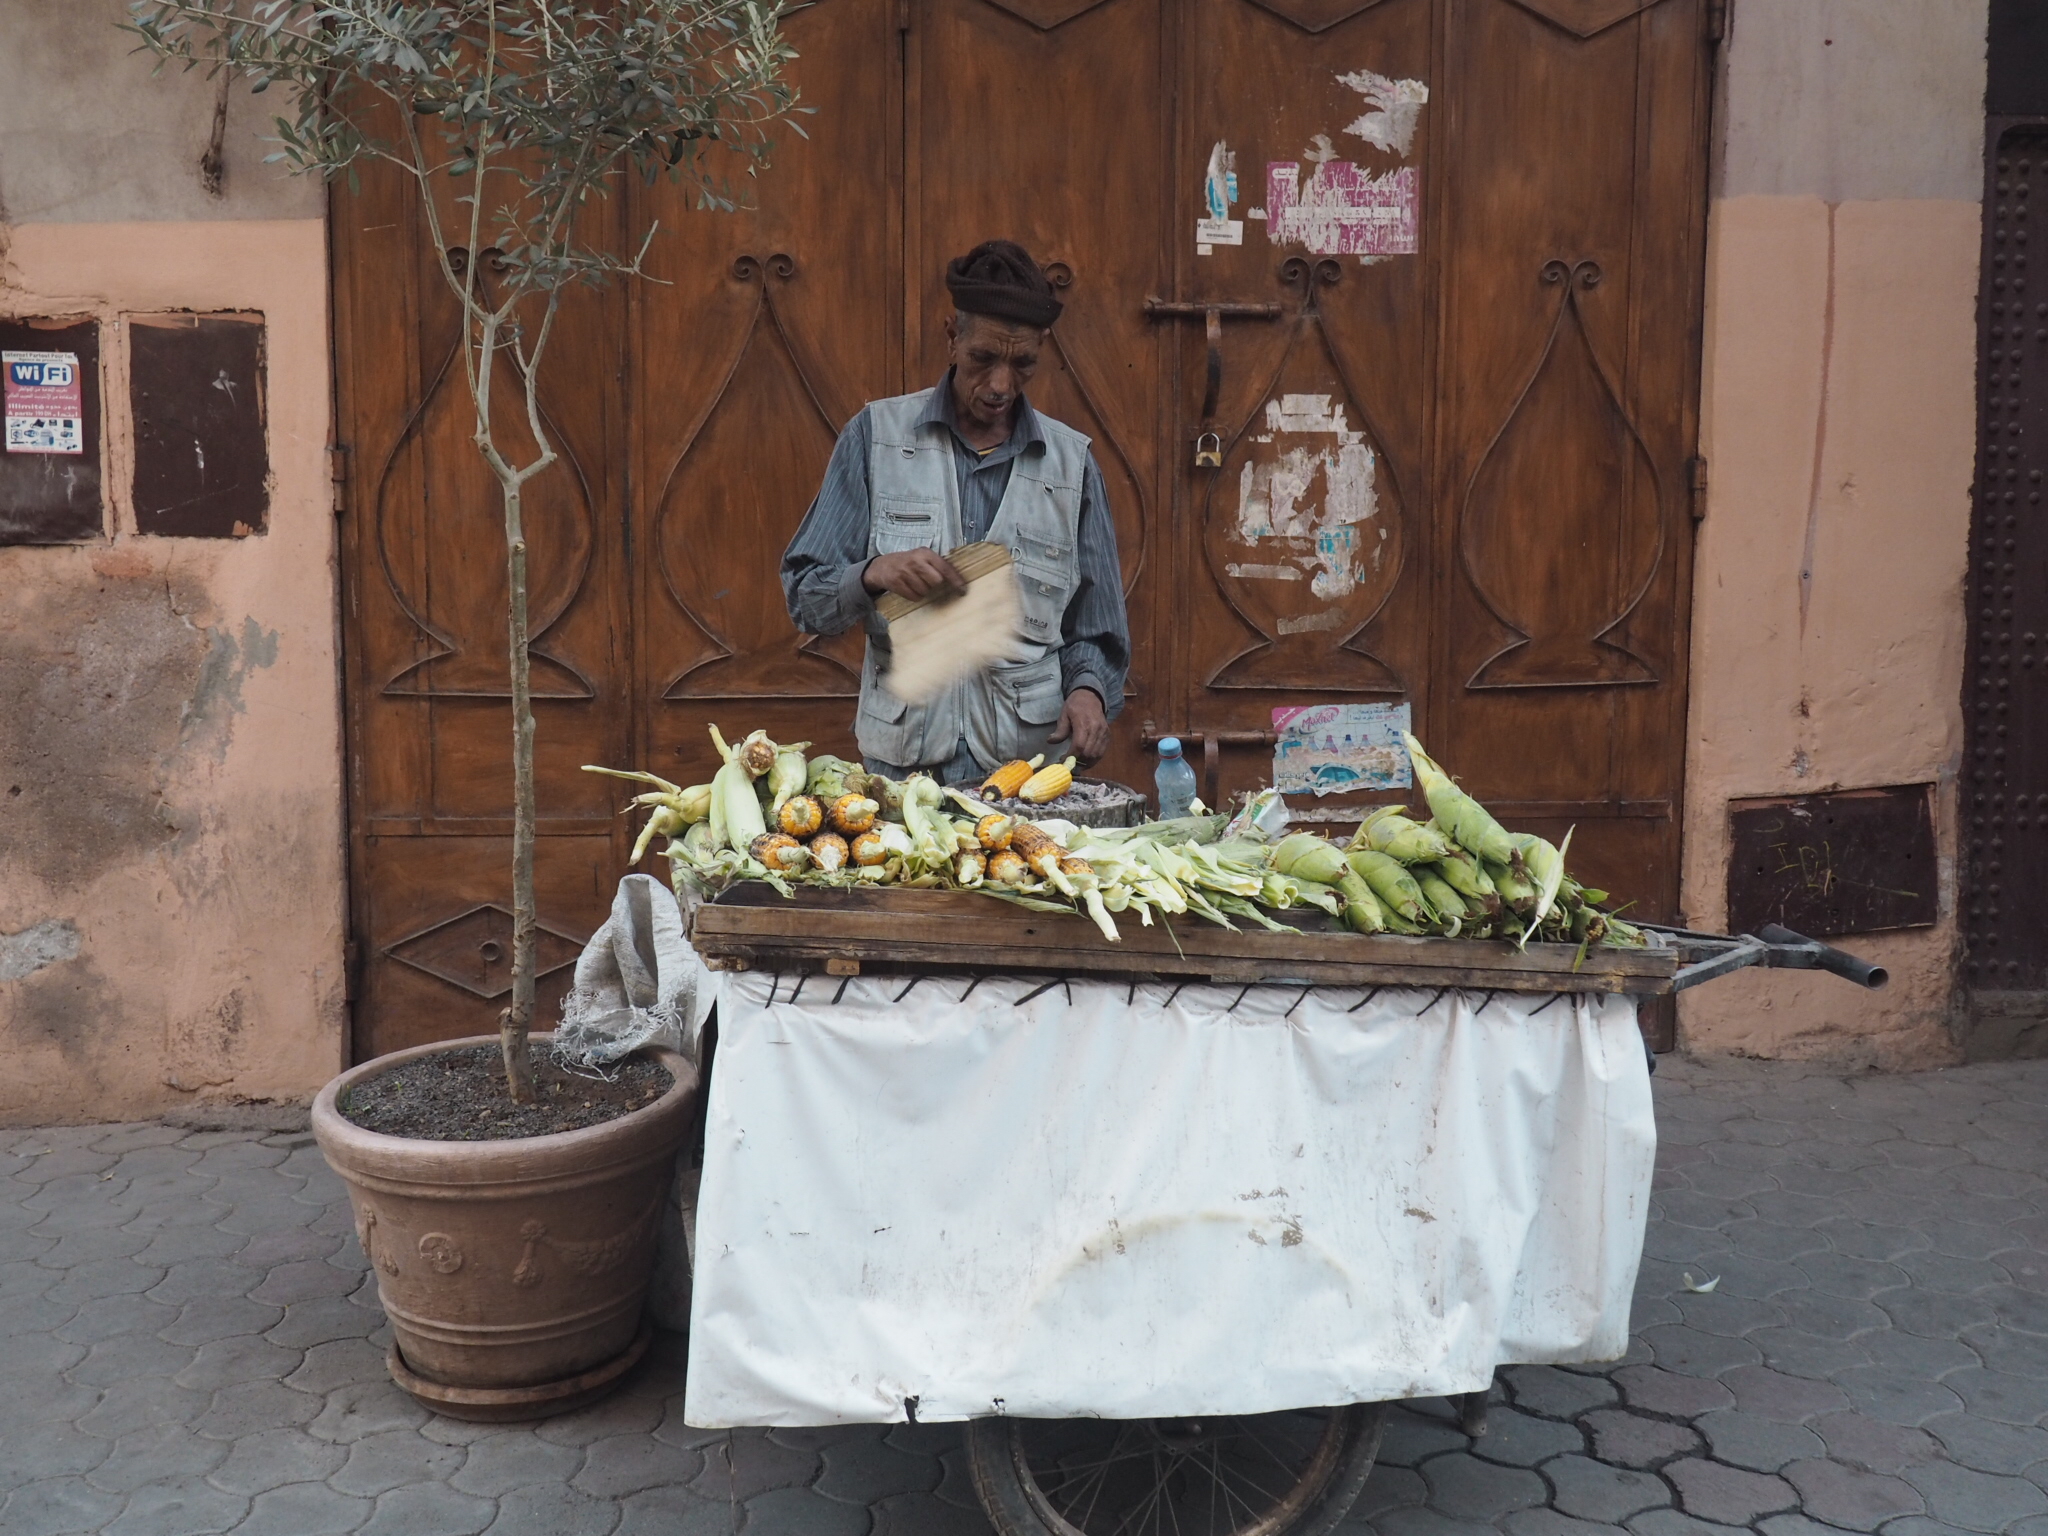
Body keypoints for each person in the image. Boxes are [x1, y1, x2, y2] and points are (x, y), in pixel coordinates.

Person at [781, 239, 1130, 785]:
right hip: (904, 773)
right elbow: (805, 598)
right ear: (952, 338)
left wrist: (1088, 692)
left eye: (1022, 365)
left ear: (1041, 350)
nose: (1000, 385)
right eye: (983, 359)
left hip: (1030, 777)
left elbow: (1098, 630)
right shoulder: (875, 438)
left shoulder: (1072, 466)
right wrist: (872, 574)